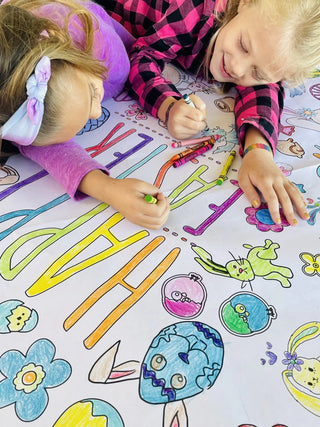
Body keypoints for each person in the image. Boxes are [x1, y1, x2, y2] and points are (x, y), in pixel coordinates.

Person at [105, 0, 320, 226]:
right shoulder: (194, 8)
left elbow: (264, 91)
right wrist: (168, 105)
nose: (237, 68)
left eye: (257, 72)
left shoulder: (266, 45)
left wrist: (258, 152)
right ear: (244, 4)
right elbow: (142, 57)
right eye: (243, 46)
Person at [0, 0, 170, 229]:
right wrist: (110, 189)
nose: (97, 112)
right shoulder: (14, 106)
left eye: (91, 93)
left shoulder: (95, 36)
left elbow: (144, 56)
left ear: (64, 45)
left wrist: (169, 102)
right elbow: (43, 146)